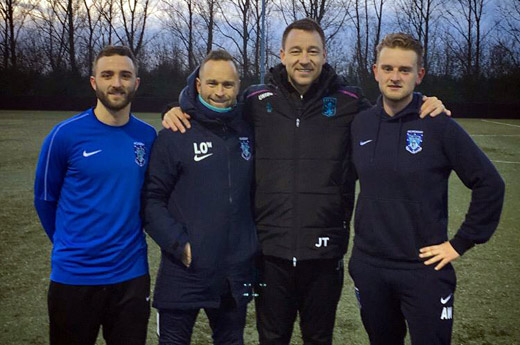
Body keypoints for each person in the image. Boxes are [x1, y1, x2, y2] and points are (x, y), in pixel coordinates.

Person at [162, 19, 447, 345]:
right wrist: (181, 103)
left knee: (318, 338)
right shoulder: (257, 101)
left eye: (313, 51)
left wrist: (423, 100)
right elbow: (215, 106)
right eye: (296, 50)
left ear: (325, 55)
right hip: (269, 257)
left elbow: (390, 113)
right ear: (282, 54)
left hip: (324, 259)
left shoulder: (348, 101)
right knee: (272, 338)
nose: (304, 59)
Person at [348, 33, 505, 345]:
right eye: (388, 68)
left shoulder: (437, 124)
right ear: (375, 70)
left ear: (419, 75)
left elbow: (490, 184)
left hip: (424, 270)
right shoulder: (360, 123)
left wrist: (460, 243)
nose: (395, 77)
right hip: (370, 266)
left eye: (404, 70)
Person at [33, 45, 156, 345]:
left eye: (125, 75)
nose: (117, 83)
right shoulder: (64, 135)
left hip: (130, 277)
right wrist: (70, 244)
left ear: (136, 83)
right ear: (94, 82)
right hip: (74, 278)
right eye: (108, 75)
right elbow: (45, 200)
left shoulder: (148, 137)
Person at [142, 49, 258, 345]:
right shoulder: (175, 133)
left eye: (228, 85)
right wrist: (181, 246)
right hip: (184, 271)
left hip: (233, 271)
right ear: (198, 85)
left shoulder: (249, 129)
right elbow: (151, 200)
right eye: (212, 83)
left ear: (238, 86)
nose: (220, 92)